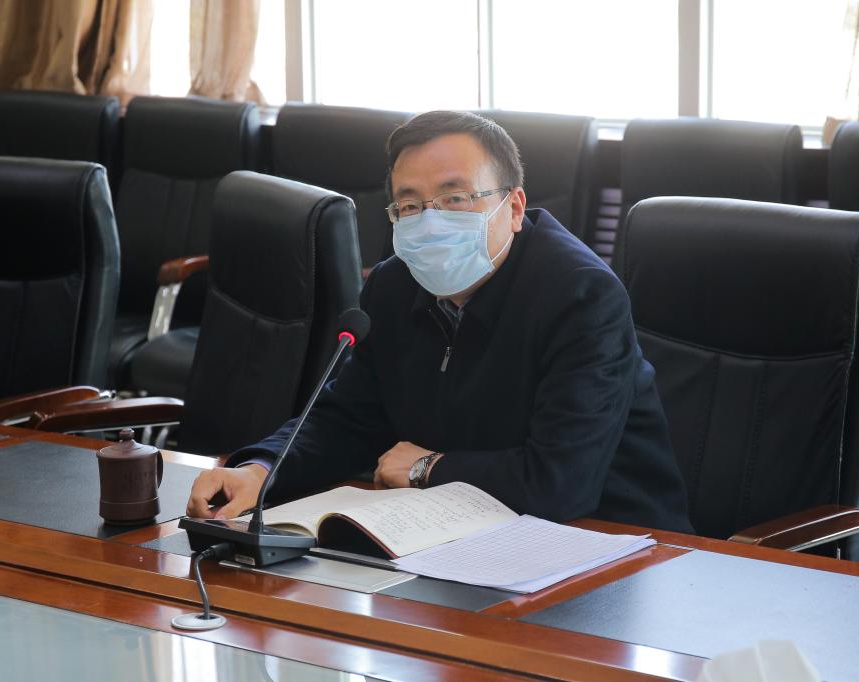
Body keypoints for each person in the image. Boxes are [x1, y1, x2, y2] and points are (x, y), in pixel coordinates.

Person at [187, 111, 692, 532]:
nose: (430, 222)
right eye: (410, 205)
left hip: (611, 541)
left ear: (514, 207)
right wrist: (261, 470)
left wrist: (429, 468)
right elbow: (346, 418)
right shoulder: (392, 286)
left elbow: (562, 481)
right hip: (457, 531)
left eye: (455, 199)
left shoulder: (581, 296)